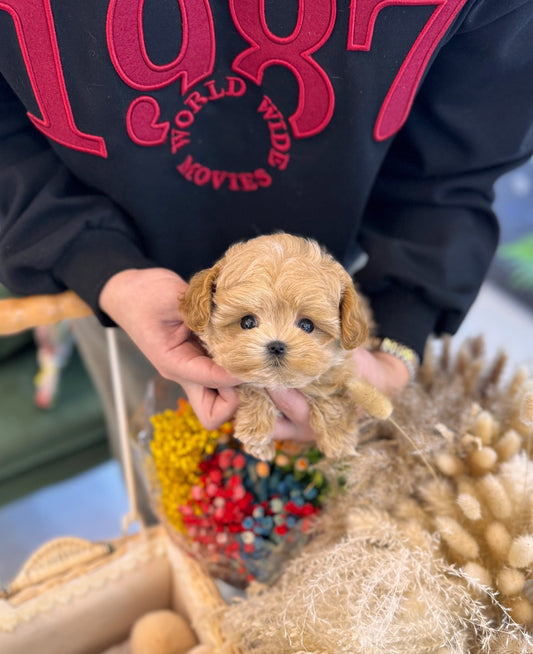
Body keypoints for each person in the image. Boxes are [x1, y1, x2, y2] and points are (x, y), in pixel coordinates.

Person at [0, 0, 532, 449]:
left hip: (352, 305)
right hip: (117, 304)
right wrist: (99, 265)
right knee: (170, 510)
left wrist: (396, 338)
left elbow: (464, 151)